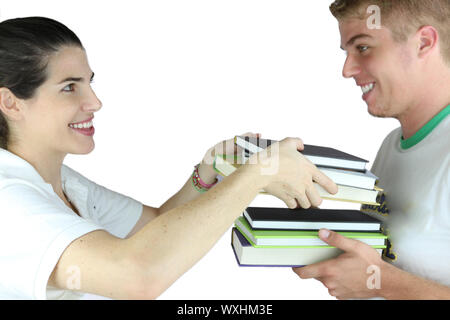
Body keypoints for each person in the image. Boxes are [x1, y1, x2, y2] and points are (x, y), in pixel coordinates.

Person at [0, 16, 338, 300]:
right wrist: (256, 175)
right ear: (11, 103)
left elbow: (154, 228)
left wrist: (209, 172)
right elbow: (137, 275)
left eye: (89, 83)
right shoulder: (10, 201)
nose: (95, 102)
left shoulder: (66, 184)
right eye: (69, 87)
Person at [293, 0, 450, 299]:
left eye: (363, 48)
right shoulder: (392, 145)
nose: (347, 70)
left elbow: (380, 277)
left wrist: (379, 281)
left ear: (424, 43)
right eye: (347, 52)